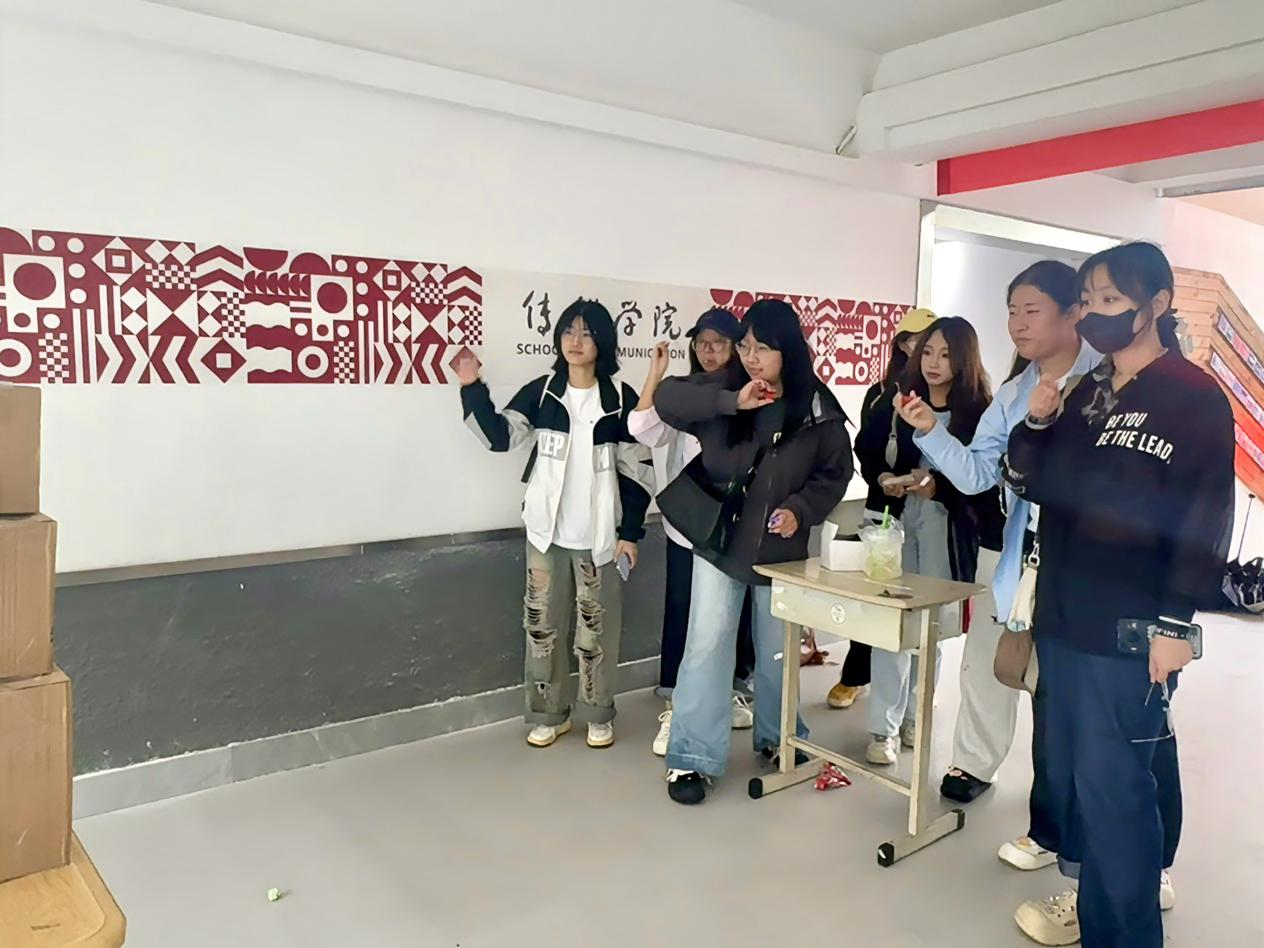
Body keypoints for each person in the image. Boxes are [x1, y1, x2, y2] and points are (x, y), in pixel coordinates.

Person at [1004, 242, 1232, 948]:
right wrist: (1037, 421)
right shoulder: (1084, 393)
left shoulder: (1192, 396)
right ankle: (1094, 908)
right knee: (1081, 783)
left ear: (1156, 304)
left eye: (1109, 300)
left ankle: (1125, 934)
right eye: (1088, 301)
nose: (1095, 313)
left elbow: (1205, 515)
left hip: (1130, 626)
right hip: (1064, 615)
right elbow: (1030, 482)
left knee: (1117, 792)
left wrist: (1175, 622)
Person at [897, 263, 1097, 860]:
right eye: (1012, 311)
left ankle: (1073, 805)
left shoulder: (1107, 382)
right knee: (991, 662)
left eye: (1031, 311)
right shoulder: (1012, 395)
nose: (1017, 324)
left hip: (1085, 561)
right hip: (1017, 555)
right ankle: (976, 763)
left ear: (1073, 312)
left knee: (1068, 686)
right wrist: (931, 431)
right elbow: (978, 474)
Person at [654, 299, 854, 804]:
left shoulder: (816, 406)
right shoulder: (728, 386)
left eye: (762, 348)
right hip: (721, 544)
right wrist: (732, 402)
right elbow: (668, 399)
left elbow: (836, 472)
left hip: (781, 550)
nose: (750, 357)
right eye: (744, 345)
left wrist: (801, 509)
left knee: (778, 651)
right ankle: (692, 757)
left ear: (788, 351)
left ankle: (779, 737)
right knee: (707, 645)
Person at [457, 298, 654, 750]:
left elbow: (638, 470)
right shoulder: (543, 393)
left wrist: (630, 534)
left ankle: (597, 713)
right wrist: (472, 386)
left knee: (596, 632)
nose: (575, 341)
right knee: (541, 628)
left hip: (599, 539)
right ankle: (549, 714)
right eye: (568, 331)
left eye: (586, 333)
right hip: (546, 536)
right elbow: (499, 437)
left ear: (603, 342)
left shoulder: (618, 399)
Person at [862, 317, 999, 765]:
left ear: (964, 360)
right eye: (927, 352)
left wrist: (937, 487)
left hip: (944, 525)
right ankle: (882, 726)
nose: (934, 363)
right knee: (891, 621)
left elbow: (982, 485)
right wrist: (883, 478)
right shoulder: (899, 400)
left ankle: (915, 717)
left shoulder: (979, 413)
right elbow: (867, 449)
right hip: (896, 522)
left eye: (946, 354)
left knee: (930, 628)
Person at [629, 309, 756, 756]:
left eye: (719, 343)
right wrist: (655, 374)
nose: (709, 351)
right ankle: (678, 700)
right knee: (684, 611)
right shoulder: (683, 395)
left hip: (736, 529)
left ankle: (731, 689)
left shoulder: (751, 395)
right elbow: (641, 428)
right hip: (688, 527)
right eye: (702, 343)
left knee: (731, 615)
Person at [828, 306, 937, 710]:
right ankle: (856, 675)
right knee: (875, 596)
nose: (927, 356)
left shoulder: (950, 397)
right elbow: (865, 448)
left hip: (931, 510)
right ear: (903, 346)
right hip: (883, 509)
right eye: (918, 344)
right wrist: (882, 477)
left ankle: (916, 699)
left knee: (922, 608)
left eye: (936, 347)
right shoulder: (880, 393)